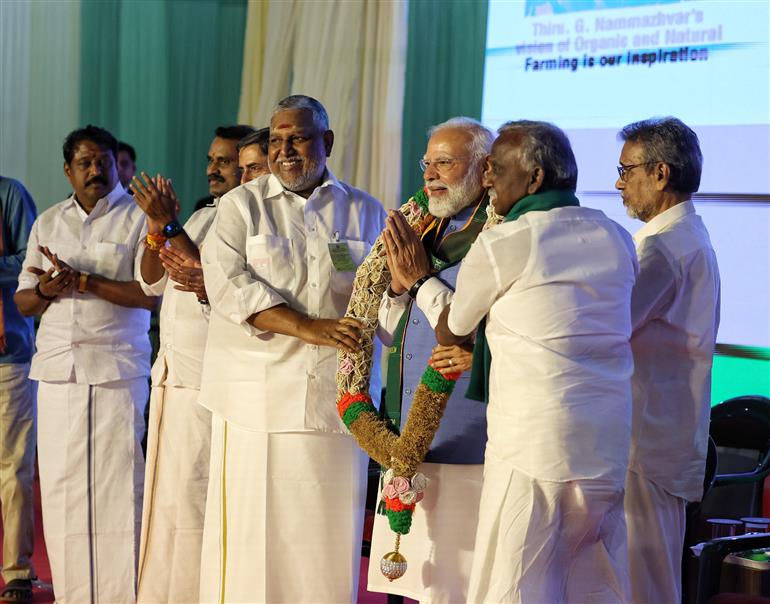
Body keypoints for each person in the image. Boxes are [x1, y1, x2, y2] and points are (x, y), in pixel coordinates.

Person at [436, 120, 638, 603]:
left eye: (496, 169)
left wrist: (422, 283)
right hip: (605, 449)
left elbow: (454, 327)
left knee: (514, 581)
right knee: (592, 582)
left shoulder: (505, 241)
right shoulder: (616, 236)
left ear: (534, 179)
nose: (486, 180)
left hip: (533, 446)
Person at [198, 95, 385, 603]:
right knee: (253, 546)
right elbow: (229, 287)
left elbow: (385, 296)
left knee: (325, 542)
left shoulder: (364, 210)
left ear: (326, 142)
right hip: (254, 402)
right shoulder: (242, 206)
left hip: (335, 401)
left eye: (298, 138)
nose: (285, 150)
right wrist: (307, 326)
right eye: (276, 139)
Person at [14, 125, 159, 604]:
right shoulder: (49, 221)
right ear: (68, 170)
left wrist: (85, 282)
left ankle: (121, 596)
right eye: (85, 163)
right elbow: (23, 302)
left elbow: (149, 296)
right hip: (57, 373)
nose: (96, 170)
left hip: (116, 368)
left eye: (104, 161)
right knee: (60, 487)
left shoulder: (138, 219)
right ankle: (74, 595)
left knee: (119, 487)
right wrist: (47, 290)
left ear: (118, 163)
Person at [132, 123, 261, 604]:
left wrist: (168, 224)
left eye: (226, 161)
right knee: (167, 508)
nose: (213, 168)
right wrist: (155, 229)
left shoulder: (246, 220)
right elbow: (151, 282)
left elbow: (213, 282)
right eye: (213, 159)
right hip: (175, 378)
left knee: (195, 508)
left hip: (212, 383)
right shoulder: (208, 214)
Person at [367, 117, 494, 603]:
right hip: (407, 433)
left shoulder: (499, 237)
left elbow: (477, 333)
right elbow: (385, 331)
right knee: (410, 581)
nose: (430, 175)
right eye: (427, 163)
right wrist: (398, 289)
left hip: (469, 438)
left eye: (445, 162)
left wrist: (422, 279)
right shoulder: (426, 230)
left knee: (458, 583)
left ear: (484, 169)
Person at [617, 117, 720, 604]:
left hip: (646, 444)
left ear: (660, 173)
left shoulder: (664, 248)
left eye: (626, 170)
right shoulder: (681, 237)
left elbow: (607, 328)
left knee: (644, 586)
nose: (618, 182)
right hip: (652, 439)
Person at [0, 177, 37, 604]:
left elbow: (29, 261)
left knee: (12, 470)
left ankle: (17, 572)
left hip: (7, 352)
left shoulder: (9, 194)